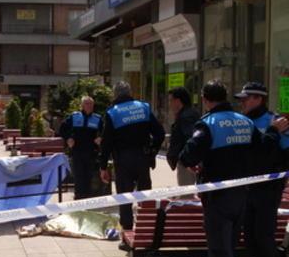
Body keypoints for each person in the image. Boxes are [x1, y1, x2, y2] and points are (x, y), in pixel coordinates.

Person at [179, 80, 280, 257]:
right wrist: (274, 131)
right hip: (242, 195)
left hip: (218, 196)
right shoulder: (245, 122)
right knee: (226, 248)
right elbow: (263, 150)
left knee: (219, 249)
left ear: (205, 98)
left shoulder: (208, 124)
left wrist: (198, 162)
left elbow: (187, 155)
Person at [234, 82, 289, 257]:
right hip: (247, 187)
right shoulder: (242, 122)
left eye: (246, 98)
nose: (242, 103)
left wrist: (284, 176)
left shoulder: (275, 121)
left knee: (264, 235)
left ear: (258, 99)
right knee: (250, 235)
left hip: (268, 189)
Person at [99, 81, 165, 237]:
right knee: (145, 197)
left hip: (123, 160)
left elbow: (106, 142)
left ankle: (127, 234)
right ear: (130, 92)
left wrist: (103, 167)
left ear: (115, 94)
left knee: (125, 197)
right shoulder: (143, 107)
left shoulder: (112, 113)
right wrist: (152, 151)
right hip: (143, 157)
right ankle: (147, 232)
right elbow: (160, 134)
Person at [59, 96, 103, 199]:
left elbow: (105, 131)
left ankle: (87, 197)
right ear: (82, 105)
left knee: (89, 175)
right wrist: (68, 138)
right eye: (87, 104)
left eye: (91, 104)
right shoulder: (74, 117)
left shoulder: (97, 118)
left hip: (91, 151)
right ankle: (78, 196)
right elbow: (62, 129)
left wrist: (101, 138)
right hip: (77, 151)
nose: (89, 106)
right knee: (78, 175)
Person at [166, 87, 201, 188]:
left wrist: (186, 160)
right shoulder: (187, 114)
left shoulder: (186, 117)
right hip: (188, 161)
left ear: (178, 101)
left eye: (170, 100)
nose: (169, 104)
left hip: (187, 163)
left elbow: (190, 139)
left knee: (186, 195)